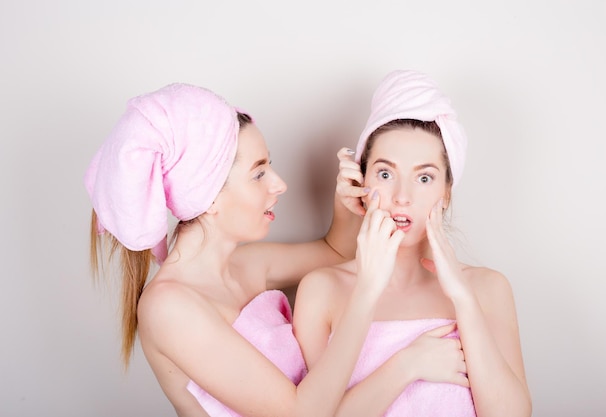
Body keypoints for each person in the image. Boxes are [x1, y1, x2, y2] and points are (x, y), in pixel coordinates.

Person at [84, 83, 404, 417]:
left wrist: (345, 202)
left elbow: (336, 253)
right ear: (208, 197)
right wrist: (368, 297)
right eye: (259, 173)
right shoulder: (168, 307)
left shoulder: (246, 264)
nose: (279, 184)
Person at [293, 70, 532, 417]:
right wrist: (407, 365)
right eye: (386, 174)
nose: (402, 197)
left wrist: (463, 299)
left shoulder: (487, 288)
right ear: (362, 180)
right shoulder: (322, 290)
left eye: (424, 178)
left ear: (447, 193)